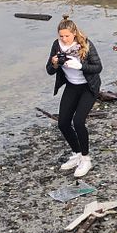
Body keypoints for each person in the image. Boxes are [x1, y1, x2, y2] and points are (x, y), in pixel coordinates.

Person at [46, 15, 103, 179]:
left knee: (78, 122)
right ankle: (77, 153)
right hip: (72, 86)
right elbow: (49, 70)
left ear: (74, 34)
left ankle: (86, 159)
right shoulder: (57, 45)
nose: (64, 39)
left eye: (67, 36)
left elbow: (98, 67)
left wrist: (80, 66)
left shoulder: (84, 44)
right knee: (63, 123)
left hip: (88, 86)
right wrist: (55, 63)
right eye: (61, 36)